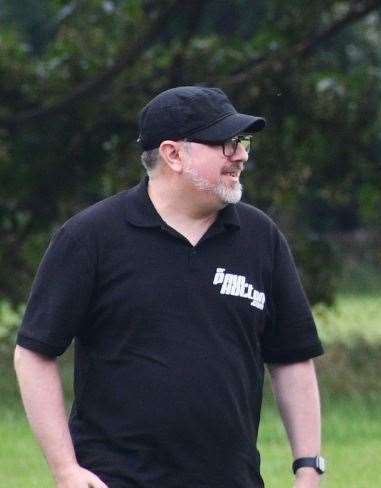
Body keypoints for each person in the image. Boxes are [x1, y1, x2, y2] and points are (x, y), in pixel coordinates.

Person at [14, 86, 326, 488]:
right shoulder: (90, 237)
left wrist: (308, 467)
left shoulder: (259, 237)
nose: (242, 155)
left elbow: (292, 357)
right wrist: (65, 469)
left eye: (242, 142)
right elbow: (34, 354)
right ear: (173, 154)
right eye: (226, 144)